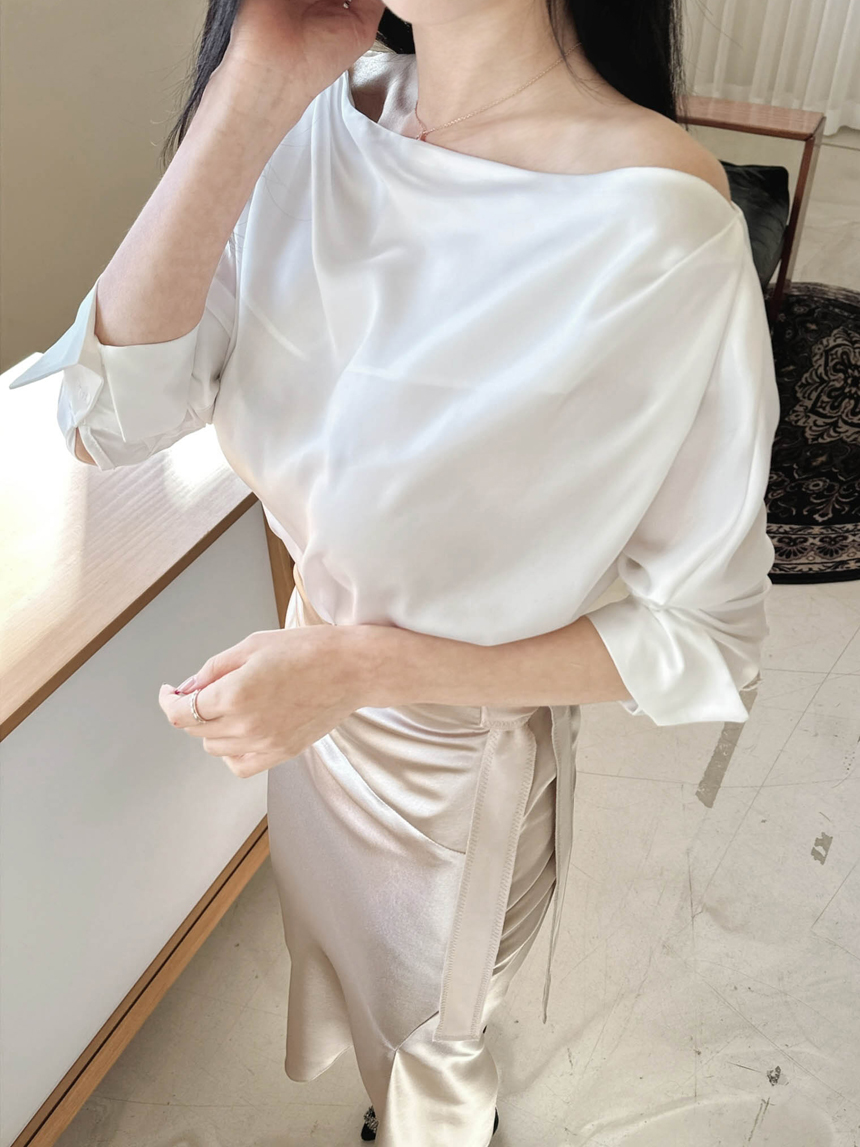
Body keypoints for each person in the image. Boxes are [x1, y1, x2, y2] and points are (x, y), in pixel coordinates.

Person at [10, 1, 780, 1143]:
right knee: (351, 975)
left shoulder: (657, 229)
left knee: (431, 1050)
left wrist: (357, 669)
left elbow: (703, 637)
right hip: (309, 724)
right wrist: (251, 82)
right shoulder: (318, 113)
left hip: (451, 786)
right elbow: (104, 417)